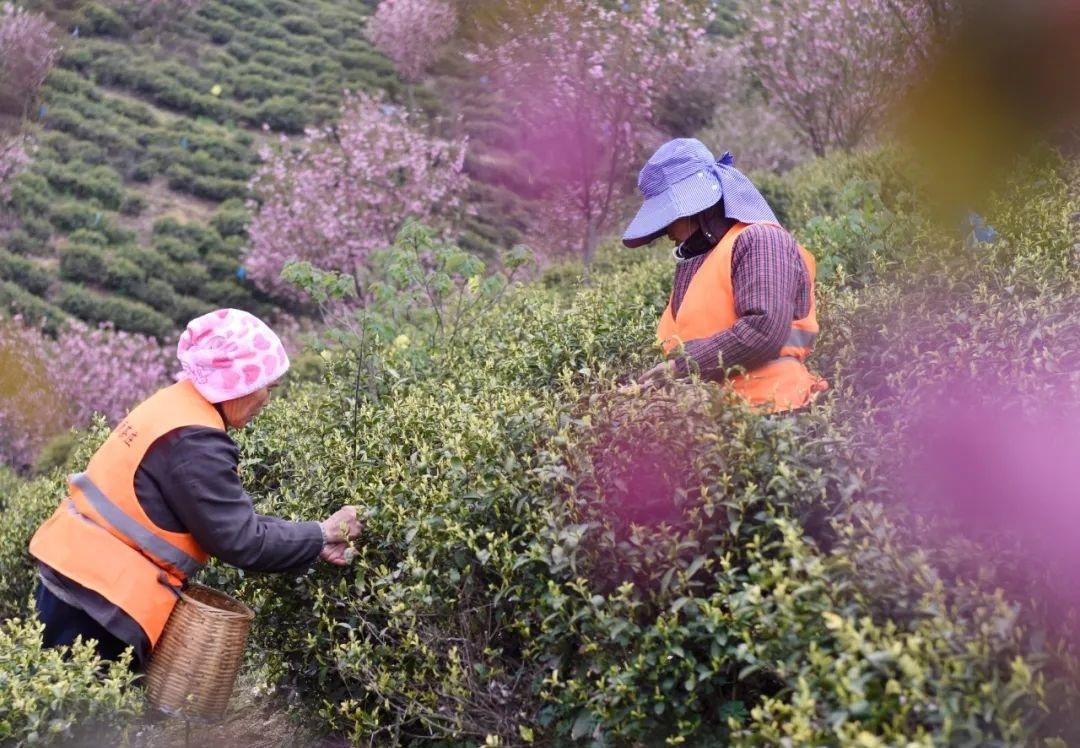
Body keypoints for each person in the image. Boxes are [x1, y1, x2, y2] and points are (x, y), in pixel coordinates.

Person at [29, 309, 362, 667]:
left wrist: (314, 538)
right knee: (81, 714)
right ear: (238, 381)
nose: (267, 400)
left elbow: (227, 521)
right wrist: (324, 532)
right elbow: (242, 541)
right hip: (99, 597)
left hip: (78, 571)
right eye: (268, 385)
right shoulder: (195, 442)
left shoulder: (177, 404)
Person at [622, 138, 827, 412]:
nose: (665, 232)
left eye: (669, 218)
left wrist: (680, 366)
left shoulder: (760, 240)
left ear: (698, 209)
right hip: (724, 418)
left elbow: (764, 330)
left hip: (774, 413)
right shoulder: (703, 259)